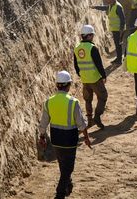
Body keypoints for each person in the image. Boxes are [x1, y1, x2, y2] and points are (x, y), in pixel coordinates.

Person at [38, 71, 91, 199]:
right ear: (68, 85)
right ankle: (60, 194)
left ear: (57, 85)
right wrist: (87, 138)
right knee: (68, 169)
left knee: (63, 165)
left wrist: (42, 137)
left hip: (56, 140)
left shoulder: (48, 102)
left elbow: (43, 123)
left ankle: (68, 184)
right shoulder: (73, 102)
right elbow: (81, 124)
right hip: (70, 141)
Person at [73, 24, 108, 129]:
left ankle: (89, 121)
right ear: (88, 36)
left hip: (85, 79)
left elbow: (76, 65)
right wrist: (103, 75)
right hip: (95, 78)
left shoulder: (77, 49)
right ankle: (97, 117)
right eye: (92, 35)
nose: (93, 36)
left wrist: (82, 74)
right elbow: (99, 64)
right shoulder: (92, 48)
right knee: (103, 96)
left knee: (88, 100)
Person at [91, 0, 126, 65]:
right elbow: (104, 8)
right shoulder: (111, 5)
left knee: (118, 44)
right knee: (117, 44)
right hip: (115, 29)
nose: (107, 0)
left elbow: (123, 19)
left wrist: (121, 30)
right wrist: (95, 7)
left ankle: (119, 60)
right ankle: (119, 59)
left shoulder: (118, 7)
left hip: (119, 30)